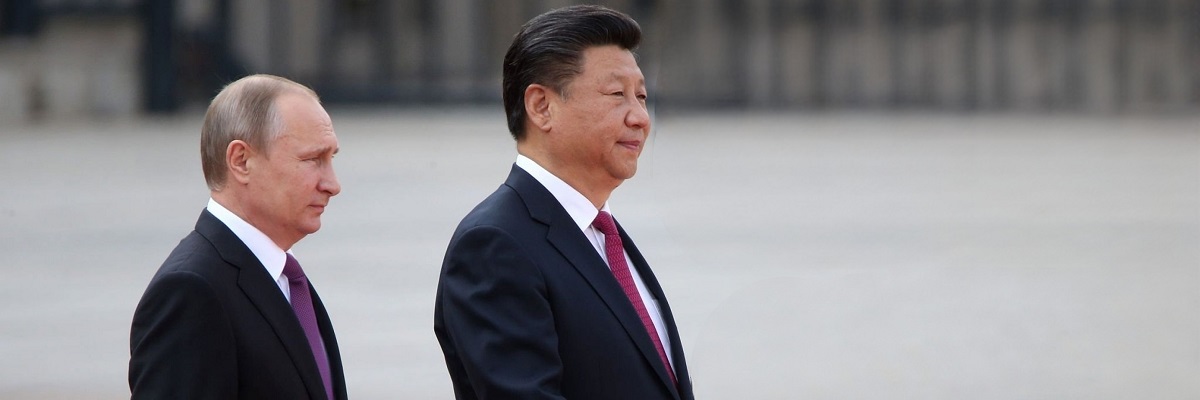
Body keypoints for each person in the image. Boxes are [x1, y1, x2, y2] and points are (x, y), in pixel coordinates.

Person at [434, 5, 694, 400]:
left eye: (641, 96)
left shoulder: (603, 235)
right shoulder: (495, 245)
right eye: (616, 95)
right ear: (541, 106)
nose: (640, 117)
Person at [129, 74, 346, 400]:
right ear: (241, 161)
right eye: (312, 160)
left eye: (331, 159)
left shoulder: (283, 278)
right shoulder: (191, 291)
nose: (332, 184)